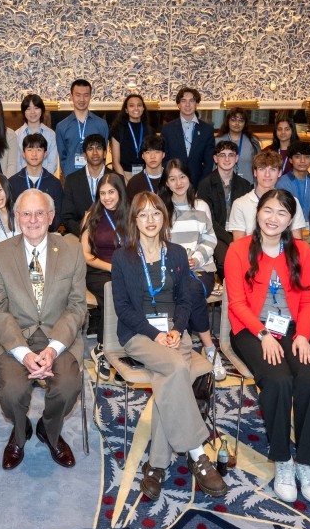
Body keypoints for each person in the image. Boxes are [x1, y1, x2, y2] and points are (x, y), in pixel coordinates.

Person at [110, 192, 227, 500]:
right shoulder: (123, 257)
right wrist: (154, 333)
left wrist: (176, 329)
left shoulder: (175, 253)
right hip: (139, 335)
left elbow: (186, 300)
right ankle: (198, 454)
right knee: (177, 367)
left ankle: (157, 464)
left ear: (165, 218)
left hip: (175, 334)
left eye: (156, 214)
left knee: (170, 378)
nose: (150, 220)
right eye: (143, 215)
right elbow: (122, 307)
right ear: (134, 220)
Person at [226, 189, 310, 504]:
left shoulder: (302, 252)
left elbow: (309, 299)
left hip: (294, 330)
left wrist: (303, 336)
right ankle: (282, 459)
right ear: (258, 213)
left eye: (281, 213)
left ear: (290, 219)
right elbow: (237, 303)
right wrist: (262, 334)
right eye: (268, 210)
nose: (273, 218)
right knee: (278, 380)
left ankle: (307, 462)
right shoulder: (239, 250)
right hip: (251, 330)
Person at [0, 189, 86, 470]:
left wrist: (54, 349)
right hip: (14, 336)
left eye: (40, 213)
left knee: (68, 386)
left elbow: (77, 305)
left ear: (51, 216)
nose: (33, 220)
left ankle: (48, 429)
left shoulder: (72, 250)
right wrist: (22, 353)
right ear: (16, 217)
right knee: (12, 391)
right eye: (26, 213)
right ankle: (19, 435)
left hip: (59, 335)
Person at [159, 159, 223, 380]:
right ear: (166, 183)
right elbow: (156, 242)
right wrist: (177, 263)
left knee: (190, 290)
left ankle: (208, 348)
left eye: (182, 177)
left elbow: (210, 239)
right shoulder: (161, 208)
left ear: (189, 178)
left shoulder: (201, 206)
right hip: (169, 270)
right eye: (172, 178)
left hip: (200, 269)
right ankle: (190, 346)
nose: (178, 183)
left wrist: (195, 258)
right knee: (182, 289)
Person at [81, 173, 128, 378]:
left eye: (111, 192)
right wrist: (111, 268)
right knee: (111, 290)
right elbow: (85, 254)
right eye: (102, 193)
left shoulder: (132, 214)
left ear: (120, 192)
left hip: (126, 269)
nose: (107, 197)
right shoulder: (92, 215)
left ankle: (124, 346)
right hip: (98, 270)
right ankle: (102, 347)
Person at [197, 140, 253, 277]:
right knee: (226, 260)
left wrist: (239, 238)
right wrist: (231, 240)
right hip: (216, 234)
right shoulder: (205, 184)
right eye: (222, 155)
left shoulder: (245, 185)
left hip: (241, 233)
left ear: (237, 158)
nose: (227, 159)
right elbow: (208, 221)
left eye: (231, 155)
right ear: (215, 158)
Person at [227, 151, 306, 240]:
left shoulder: (292, 201)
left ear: (279, 173)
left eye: (273, 169)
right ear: (255, 172)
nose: (267, 174)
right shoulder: (240, 204)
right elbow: (239, 244)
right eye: (262, 169)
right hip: (251, 252)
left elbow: (297, 240)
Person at [9, 132, 64, 231]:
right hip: (19, 234)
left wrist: (41, 230)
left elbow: (58, 214)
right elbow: (10, 213)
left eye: (39, 150)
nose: (34, 154)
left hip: (47, 235)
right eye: (30, 150)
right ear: (23, 154)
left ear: (45, 154)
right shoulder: (12, 182)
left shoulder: (55, 183)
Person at [60, 134, 114, 236]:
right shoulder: (72, 180)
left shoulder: (116, 179)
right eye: (90, 149)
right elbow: (67, 217)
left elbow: (122, 213)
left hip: (110, 235)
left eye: (99, 148)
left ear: (105, 153)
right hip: (79, 235)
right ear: (84, 155)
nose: (95, 153)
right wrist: (84, 233)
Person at [161, 87, 215, 185]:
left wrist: (202, 186)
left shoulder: (207, 130)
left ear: (197, 104)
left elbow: (209, 163)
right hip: (174, 183)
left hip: (199, 183)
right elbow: (165, 159)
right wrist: (171, 181)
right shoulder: (167, 129)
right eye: (183, 101)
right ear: (178, 105)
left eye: (191, 101)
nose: (187, 105)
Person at [56, 79, 109, 178]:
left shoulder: (101, 124)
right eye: (78, 95)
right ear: (71, 97)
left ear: (90, 97)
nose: (82, 99)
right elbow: (63, 157)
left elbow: (103, 153)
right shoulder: (61, 126)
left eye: (85, 95)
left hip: (96, 177)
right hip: (71, 177)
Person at [275, 141, 310, 222]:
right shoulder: (281, 183)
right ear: (290, 160)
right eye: (297, 157)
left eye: (307, 157)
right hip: (289, 227)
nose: (302, 161)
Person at [110, 94, 153, 182]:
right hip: (123, 174)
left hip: (145, 175)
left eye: (139, 105)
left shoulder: (150, 131)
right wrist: (125, 181)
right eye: (131, 106)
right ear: (126, 110)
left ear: (143, 108)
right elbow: (115, 162)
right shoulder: (118, 129)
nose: (136, 108)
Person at [15, 93, 58, 175]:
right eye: (28, 109)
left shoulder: (51, 134)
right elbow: (17, 163)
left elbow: (52, 163)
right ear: (23, 112)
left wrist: (44, 178)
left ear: (42, 110)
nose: (32, 112)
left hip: (45, 180)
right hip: (23, 181)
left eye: (36, 108)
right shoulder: (17, 135)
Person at [216, 107, 261, 183]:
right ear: (227, 122)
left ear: (245, 123)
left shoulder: (253, 141)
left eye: (241, 120)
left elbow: (259, 165)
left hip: (247, 185)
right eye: (233, 120)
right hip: (223, 185)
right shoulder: (217, 141)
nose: (237, 123)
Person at [126, 135, 166, 200]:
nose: (152, 156)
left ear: (163, 154)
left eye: (157, 152)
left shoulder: (171, 178)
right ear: (142, 156)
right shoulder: (134, 183)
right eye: (148, 152)